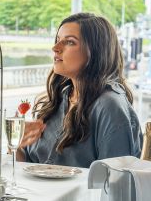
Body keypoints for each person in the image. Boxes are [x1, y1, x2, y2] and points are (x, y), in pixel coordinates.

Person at [18, 13, 143, 167]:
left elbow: (116, 181)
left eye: (69, 42)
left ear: (96, 51)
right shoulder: (57, 100)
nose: (55, 48)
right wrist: (16, 145)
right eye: (57, 40)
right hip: (34, 191)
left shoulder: (109, 106)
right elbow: (27, 167)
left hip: (78, 193)